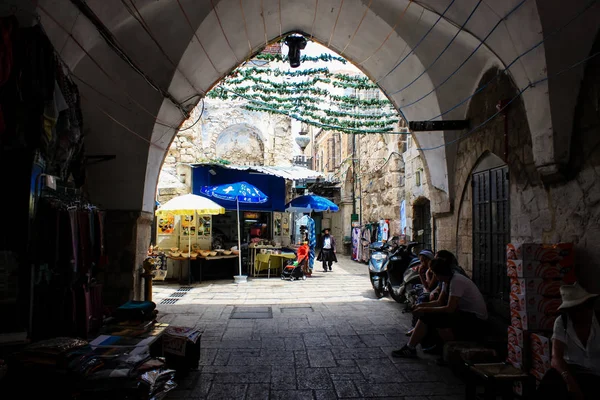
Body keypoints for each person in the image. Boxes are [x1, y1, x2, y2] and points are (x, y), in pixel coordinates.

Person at [392, 257, 488, 358]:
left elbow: (449, 308)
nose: (435, 276)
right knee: (429, 315)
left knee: (434, 318)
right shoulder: (446, 281)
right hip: (463, 312)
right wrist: (420, 306)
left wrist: (424, 309)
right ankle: (417, 347)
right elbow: (439, 302)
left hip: (476, 319)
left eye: (434, 273)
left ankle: (450, 351)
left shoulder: (456, 281)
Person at [535, 282, 599, 400]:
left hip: (595, 374)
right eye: (571, 310)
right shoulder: (562, 322)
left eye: (578, 309)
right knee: (551, 380)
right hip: (572, 371)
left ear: (587, 305)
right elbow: (556, 358)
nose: (575, 315)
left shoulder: (598, 322)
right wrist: (568, 380)